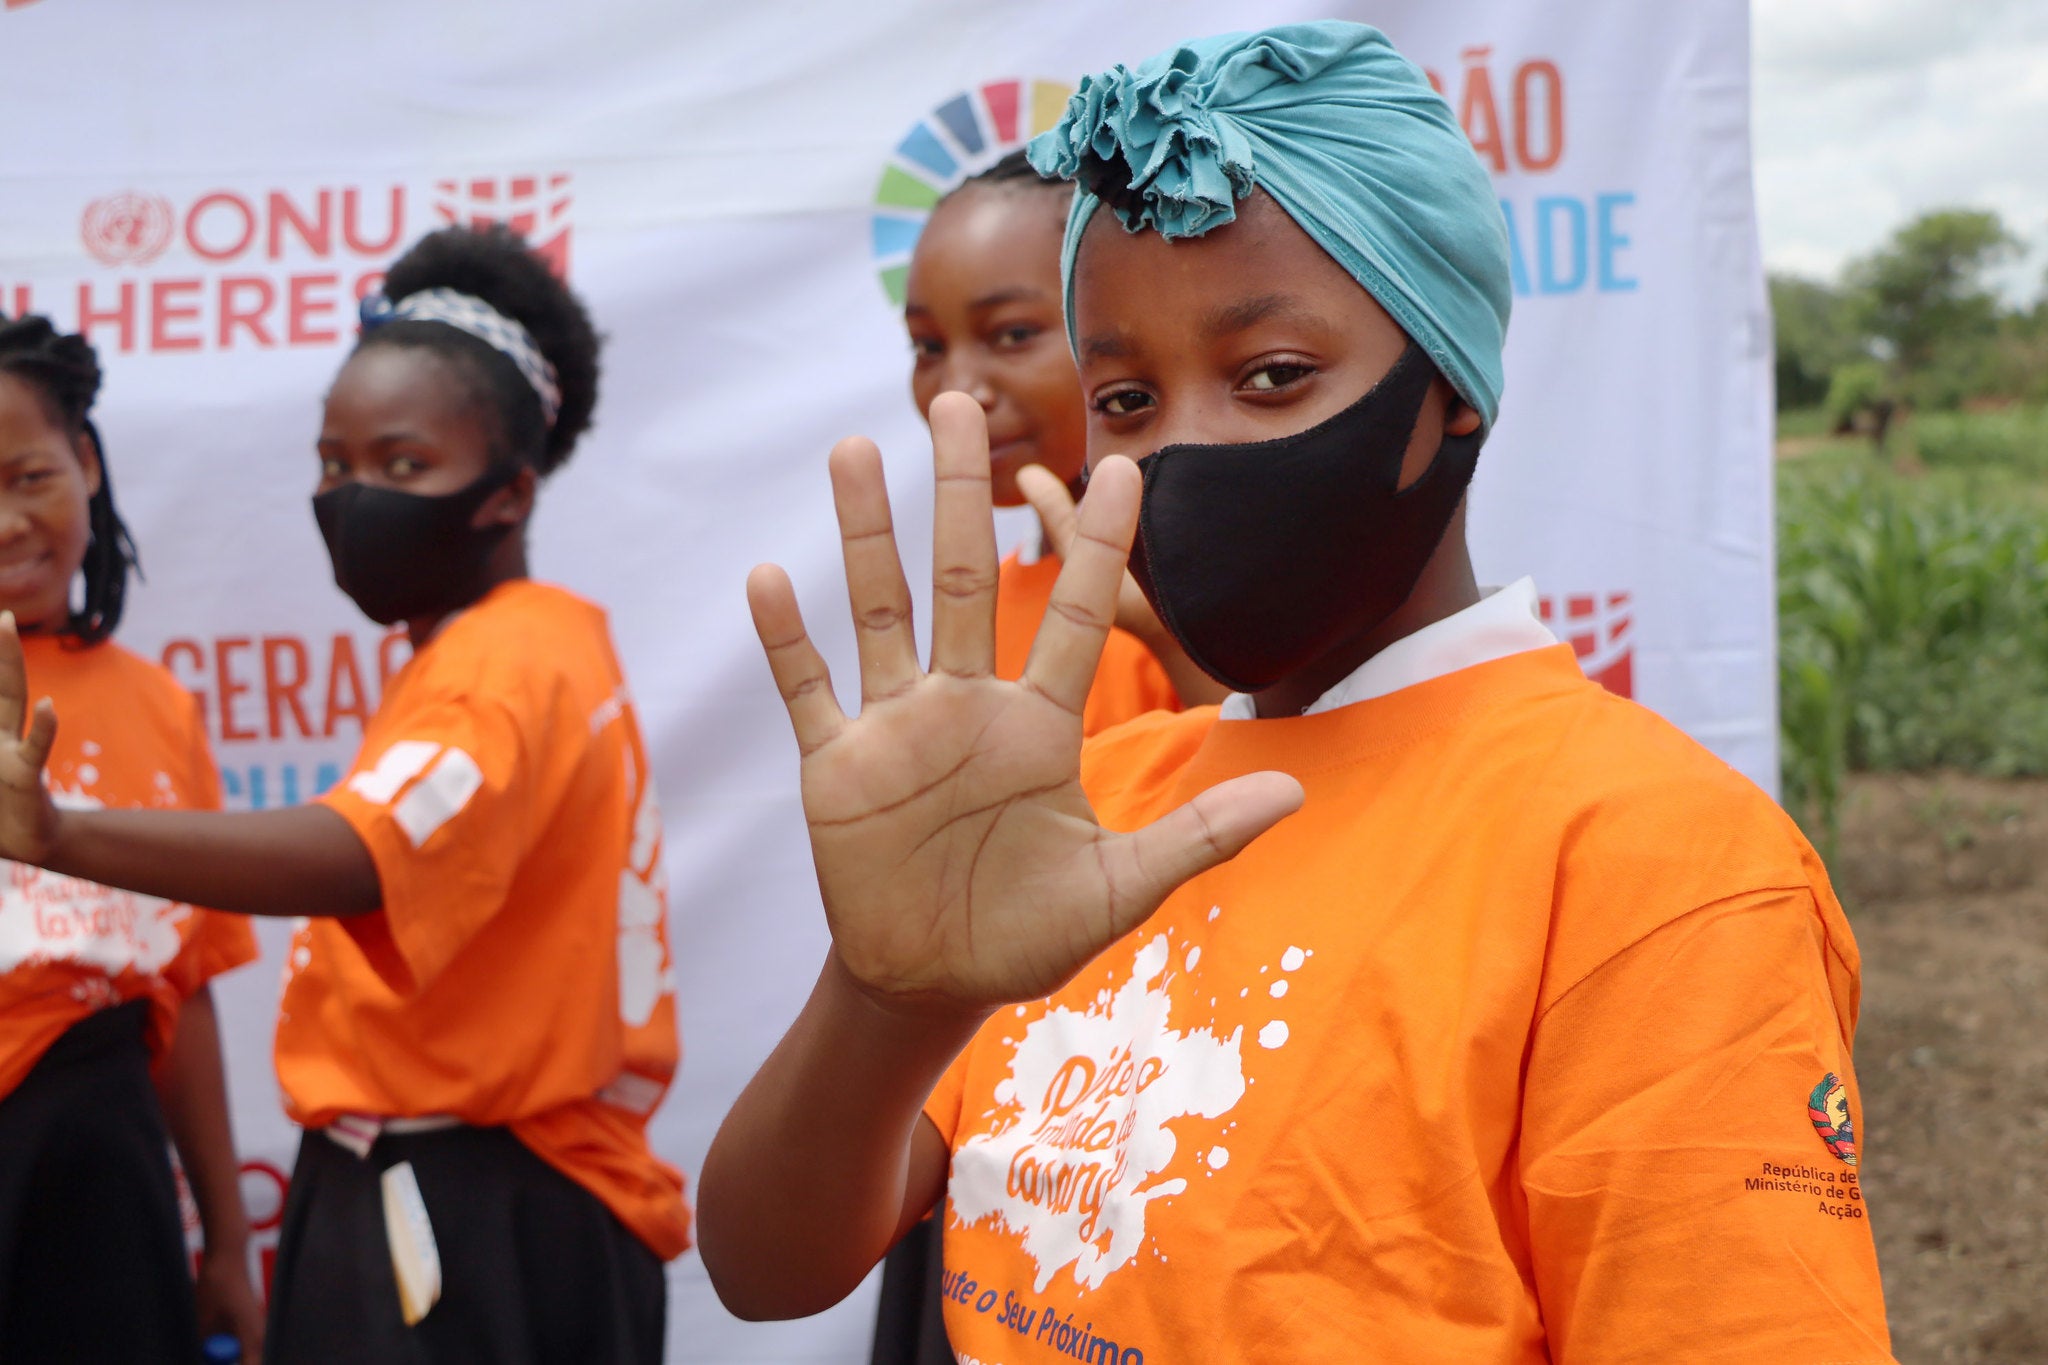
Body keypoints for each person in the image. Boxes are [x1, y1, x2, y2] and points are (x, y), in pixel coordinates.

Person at [698, 21, 1895, 1364]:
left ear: (1451, 390)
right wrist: (885, 999)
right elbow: (769, 1267)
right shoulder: (1096, 800)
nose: (1186, 448)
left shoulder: (1652, 863)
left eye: (1271, 376)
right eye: (1130, 398)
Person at [0, 226, 685, 1362]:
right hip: (457, 1189)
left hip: (473, 1206)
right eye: (334, 463)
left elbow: (356, 852)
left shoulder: (504, 662)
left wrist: (62, 834)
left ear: (508, 493)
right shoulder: (496, 647)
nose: (353, 497)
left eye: (401, 465)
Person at [0, 315, 264, 1362]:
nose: (10, 521)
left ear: (87, 463)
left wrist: (230, 1247)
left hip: (100, 1164)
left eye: (28, 475)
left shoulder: (159, 707)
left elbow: (182, 988)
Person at [904, 149, 1224, 728]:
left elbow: (1292, 792)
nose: (956, 392)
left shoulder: (1220, 577)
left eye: (1012, 333)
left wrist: (1169, 642)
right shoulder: (979, 602)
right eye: (927, 346)